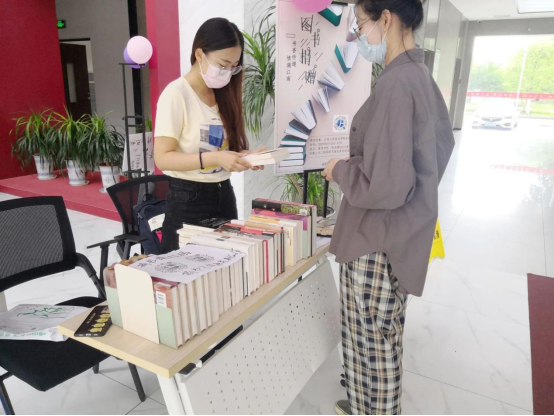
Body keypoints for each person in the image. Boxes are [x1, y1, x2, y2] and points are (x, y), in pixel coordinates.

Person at [322, 0, 455, 415]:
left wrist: (339, 169)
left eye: (361, 24)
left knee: (372, 346)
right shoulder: (420, 76)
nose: (359, 35)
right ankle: (363, 404)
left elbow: (386, 183)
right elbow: (439, 148)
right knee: (379, 338)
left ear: (386, 18)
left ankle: (372, 408)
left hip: (376, 239)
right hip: (401, 232)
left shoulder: (396, 83)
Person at [154, 18, 265, 253]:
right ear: (199, 54)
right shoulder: (176, 94)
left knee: (226, 267)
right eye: (223, 64)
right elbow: (163, 158)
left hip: (223, 193)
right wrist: (215, 158)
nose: (228, 72)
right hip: (187, 199)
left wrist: (244, 157)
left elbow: (220, 149)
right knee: (184, 270)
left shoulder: (224, 94)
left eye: (234, 66)